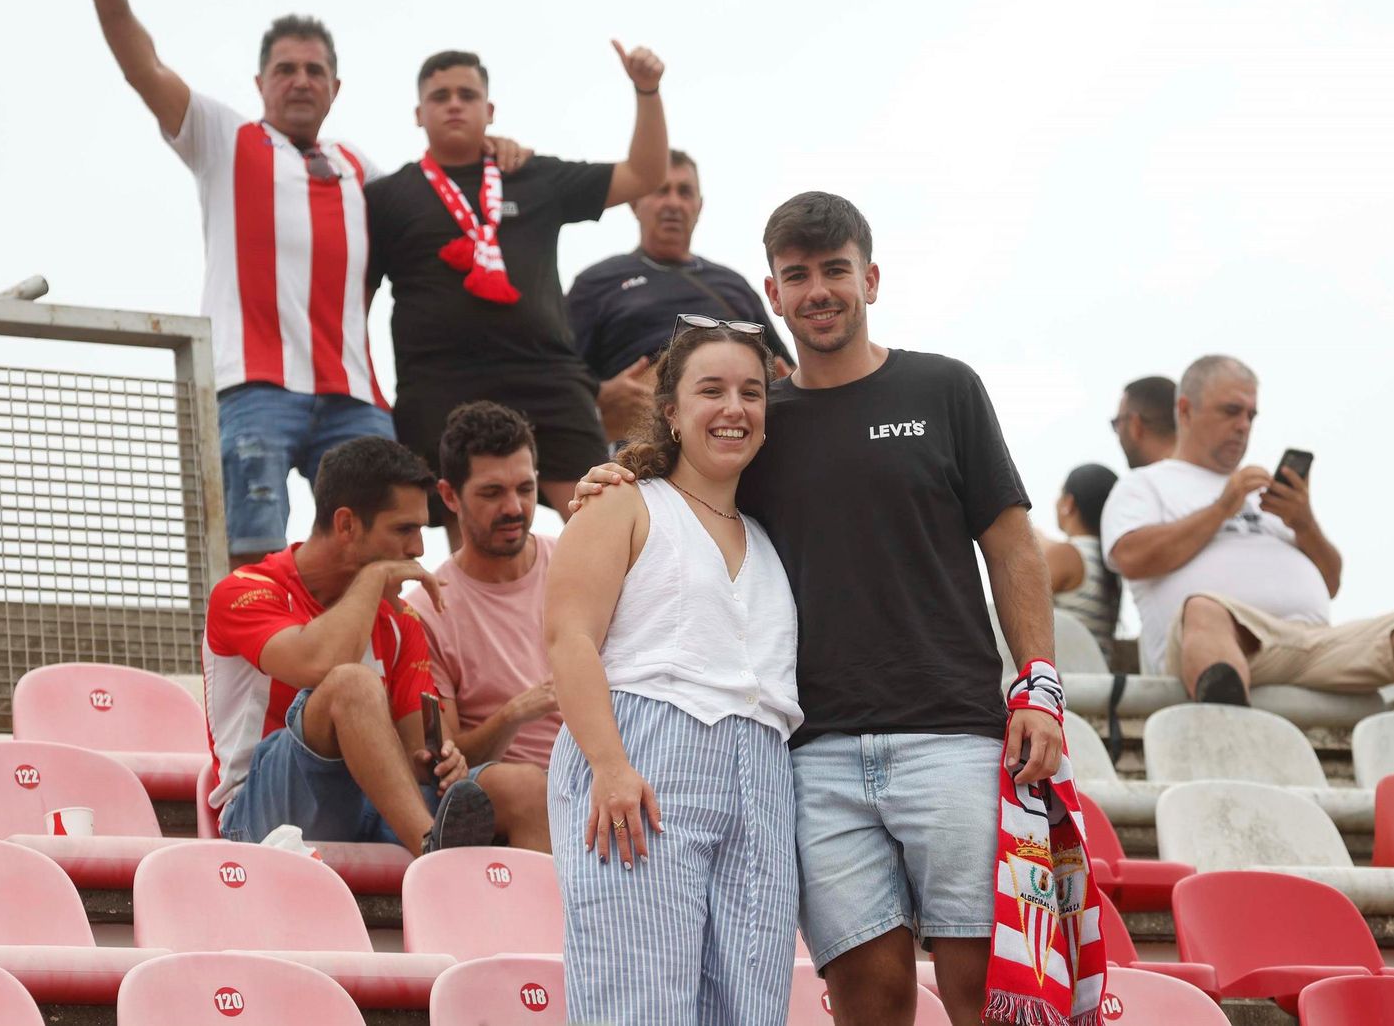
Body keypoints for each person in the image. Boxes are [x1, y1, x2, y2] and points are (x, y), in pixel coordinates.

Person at [573, 193, 1068, 1026]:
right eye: (797, 275)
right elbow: (684, 488)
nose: (818, 290)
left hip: (952, 733)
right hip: (811, 754)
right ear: (772, 292)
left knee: (989, 994)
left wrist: (1041, 686)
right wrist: (613, 473)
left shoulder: (945, 387)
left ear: (869, 277)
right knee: (866, 1000)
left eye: (835, 269)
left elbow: (1012, 547)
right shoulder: (758, 421)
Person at [80, 0, 529, 570]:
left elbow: (438, 203)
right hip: (253, 383)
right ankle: (254, 660)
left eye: (315, 71)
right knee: (251, 540)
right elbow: (145, 69)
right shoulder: (223, 137)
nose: (300, 81)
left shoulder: (359, 166)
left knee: (382, 538)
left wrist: (493, 152)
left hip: (352, 391)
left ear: (335, 88)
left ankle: (363, 659)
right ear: (260, 81)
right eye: (285, 69)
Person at [545, 321, 802, 1025]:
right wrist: (609, 764)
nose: (734, 408)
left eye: (752, 393)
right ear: (670, 411)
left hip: (763, 773)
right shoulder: (624, 501)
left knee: (751, 1007)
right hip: (647, 755)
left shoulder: (772, 533)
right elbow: (568, 638)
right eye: (711, 390)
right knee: (639, 1003)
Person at [365, 44, 669, 532]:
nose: (454, 104)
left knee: (602, 522)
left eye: (467, 94)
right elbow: (356, 302)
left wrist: (646, 90)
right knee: (469, 543)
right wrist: (369, 393)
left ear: (489, 110)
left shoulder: (531, 175)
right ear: (419, 114)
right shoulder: (385, 198)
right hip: (440, 382)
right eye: (440, 96)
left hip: (546, 376)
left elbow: (645, 173)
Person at [1102, 354, 1394, 713]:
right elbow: (1132, 557)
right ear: (1185, 410)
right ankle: (1229, 721)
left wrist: (1304, 523)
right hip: (1221, 643)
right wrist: (1222, 508)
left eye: (1251, 416)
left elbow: (1331, 581)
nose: (1243, 426)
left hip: (1313, 644)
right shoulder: (1144, 485)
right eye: (1231, 411)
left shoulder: (1264, 494)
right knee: (1203, 609)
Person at [202, 436, 492, 856]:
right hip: (256, 815)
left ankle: (553, 916)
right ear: (346, 525)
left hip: (367, 808)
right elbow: (318, 665)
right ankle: (435, 856)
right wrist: (372, 579)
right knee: (351, 684)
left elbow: (417, 755)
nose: (418, 550)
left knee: (517, 787)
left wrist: (443, 761)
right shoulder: (244, 591)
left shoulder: (402, 621)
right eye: (404, 530)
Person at [404, 401, 558, 852]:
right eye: (492, 493)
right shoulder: (427, 608)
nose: (514, 507)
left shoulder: (574, 562)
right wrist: (516, 712)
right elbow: (447, 760)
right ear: (449, 497)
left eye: (525, 489)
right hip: (499, 782)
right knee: (528, 787)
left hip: (590, 768)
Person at [567, 149, 795, 441]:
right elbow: (560, 379)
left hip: (736, 440)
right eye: (661, 191)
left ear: (698, 206)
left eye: (684, 192)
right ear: (634, 202)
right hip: (642, 450)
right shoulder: (596, 283)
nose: (673, 203)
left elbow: (785, 370)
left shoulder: (733, 285)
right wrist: (598, 403)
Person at [1039, 463, 1121, 663]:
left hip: (1066, 682)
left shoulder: (1067, 555)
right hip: (1098, 684)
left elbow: (1019, 604)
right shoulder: (1110, 561)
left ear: (1068, 503)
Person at [1111, 375, 1177, 469]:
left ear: (1135, 425)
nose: (1118, 434)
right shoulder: (1202, 474)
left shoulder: (1137, 483)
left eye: (1117, 423)